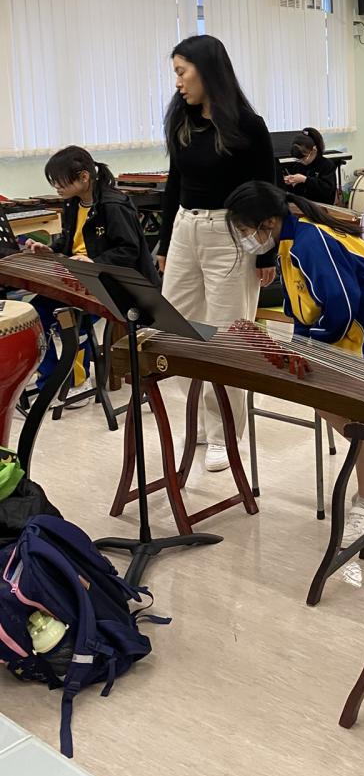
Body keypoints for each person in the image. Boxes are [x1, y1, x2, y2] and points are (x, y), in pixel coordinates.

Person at [224, 181, 364, 549]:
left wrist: (311, 350)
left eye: (245, 229)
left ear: (268, 222)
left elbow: (341, 307)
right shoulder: (289, 243)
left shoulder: (309, 241)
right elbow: (303, 311)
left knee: (348, 408)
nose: (245, 239)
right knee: (321, 396)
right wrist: (299, 348)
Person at [156, 35, 277, 472]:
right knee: (175, 326)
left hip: (232, 230)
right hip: (186, 228)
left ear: (207, 71)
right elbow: (174, 183)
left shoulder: (248, 125)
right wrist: (165, 243)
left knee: (227, 334)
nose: (177, 82)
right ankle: (197, 417)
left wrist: (266, 253)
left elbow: (267, 190)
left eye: (181, 72)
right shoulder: (182, 120)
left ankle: (224, 433)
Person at [24, 146, 159, 393]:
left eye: (59, 181)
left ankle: (79, 380)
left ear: (84, 177)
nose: (56, 187)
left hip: (112, 285)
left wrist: (95, 263)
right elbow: (70, 241)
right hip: (79, 279)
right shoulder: (73, 204)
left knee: (70, 319)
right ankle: (52, 382)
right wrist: (50, 249)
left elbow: (129, 251)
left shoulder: (113, 205)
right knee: (32, 315)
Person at [282, 128, 338, 206]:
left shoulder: (327, 165)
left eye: (304, 158)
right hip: (303, 206)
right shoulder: (298, 165)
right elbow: (295, 193)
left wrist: (305, 180)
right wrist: (289, 183)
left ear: (314, 150)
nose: (301, 161)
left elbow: (327, 190)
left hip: (322, 207)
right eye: (298, 159)